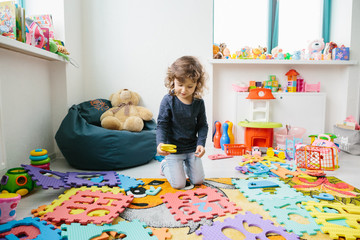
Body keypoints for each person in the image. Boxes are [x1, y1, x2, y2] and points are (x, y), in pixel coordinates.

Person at [156, 56, 209, 189]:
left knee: (198, 181)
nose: (184, 90)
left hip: (191, 148)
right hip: (173, 150)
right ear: (173, 81)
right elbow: (162, 124)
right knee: (178, 184)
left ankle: (185, 165)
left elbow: (203, 125)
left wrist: (201, 144)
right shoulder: (168, 100)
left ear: (197, 84)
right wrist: (160, 143)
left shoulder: (198, 102)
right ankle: (164, 165)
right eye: (180, 85)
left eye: (190, 86)